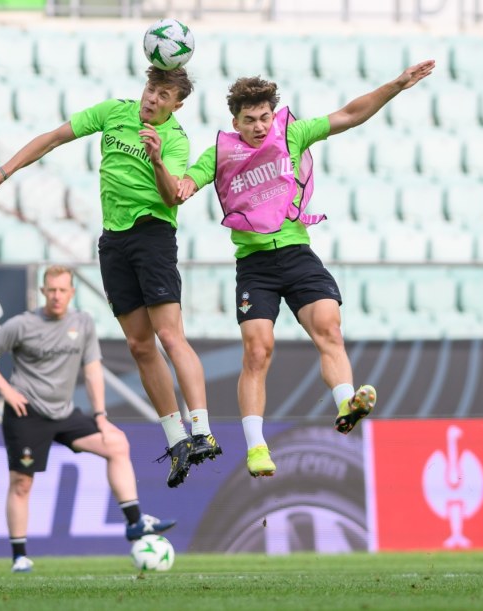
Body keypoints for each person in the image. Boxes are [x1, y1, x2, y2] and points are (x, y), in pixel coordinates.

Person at [172, 62, 435, 477]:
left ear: (273, 115)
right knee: (258, 351)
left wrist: (397, 85)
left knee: (329, 327)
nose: (259, 127)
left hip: (297, 253)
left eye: (264, 117)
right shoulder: (220, 153)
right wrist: (181, 184)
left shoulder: (291, 133)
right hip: (254, 264)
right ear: (234, 121)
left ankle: (347, 403)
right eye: (249, 120)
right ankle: (257, 448)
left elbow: (349, 114)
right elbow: (187, 183)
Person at [0, 66, 221, 489]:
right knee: (140, 346)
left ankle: (202, 430)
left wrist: (157, 159)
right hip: (114, 241)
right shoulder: (112, 112)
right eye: (150, 89)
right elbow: (53, 138)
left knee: (170, 337)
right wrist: (4, 172)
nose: (152, 98)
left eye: (163, 95)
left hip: (152, 235)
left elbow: (172, 194)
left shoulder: (175, 139)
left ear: (177, 104)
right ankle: (176, 440)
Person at [0, 265, 176, 573]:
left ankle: (134, 523)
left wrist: (101, 417)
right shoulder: (22, 324)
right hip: (27, 413)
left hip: (64, 413)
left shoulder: (83, 323)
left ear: (72, 293)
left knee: (116, 443)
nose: (56, 296)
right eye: (51, 290)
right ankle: (19, 556)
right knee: (22, 484)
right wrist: (6, 392)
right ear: (43, 292)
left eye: (62, 290)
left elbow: (92, 371)